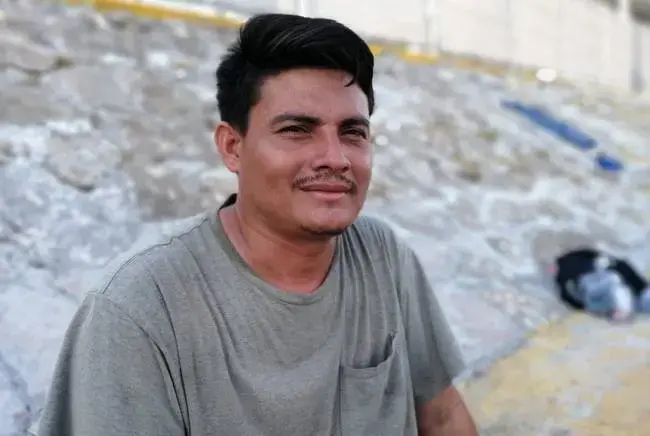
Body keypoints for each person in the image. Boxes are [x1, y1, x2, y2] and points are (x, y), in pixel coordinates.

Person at [38, 13, 478, 436]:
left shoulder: (382, 257)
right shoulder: (141, 309)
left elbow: (441, 417)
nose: (336, 158)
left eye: (352, 132)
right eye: (296, 130)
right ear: (232, 147)